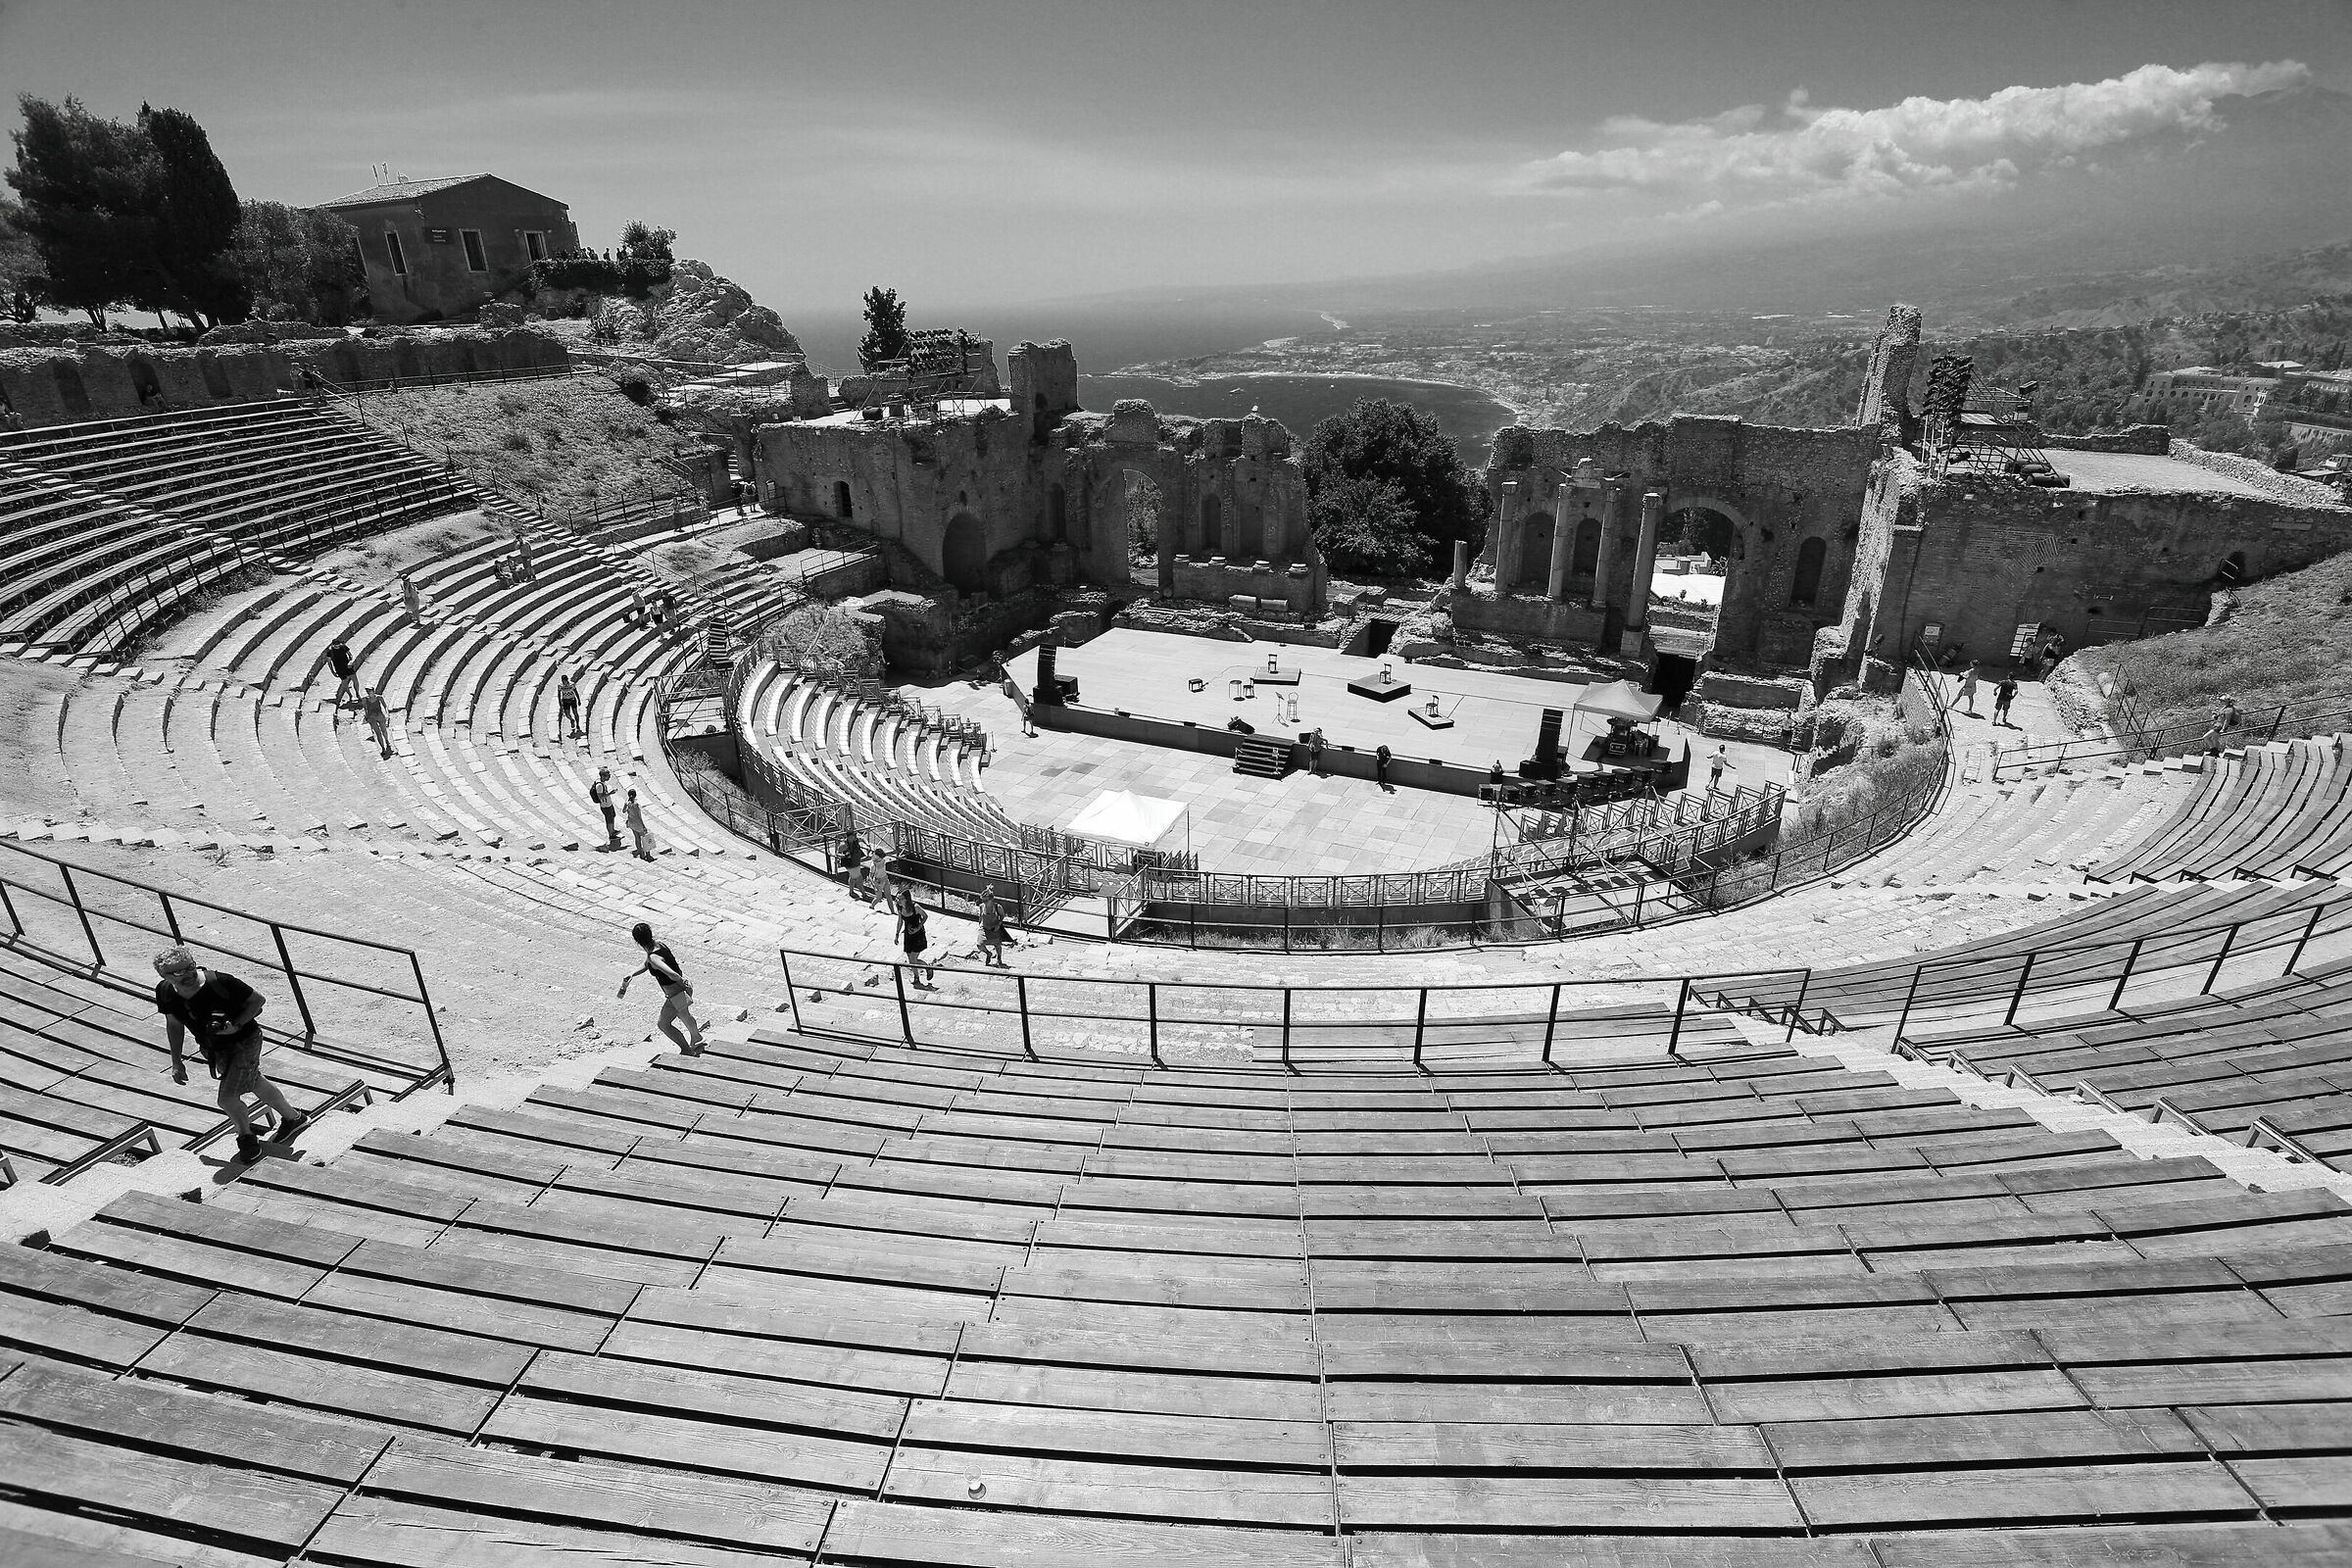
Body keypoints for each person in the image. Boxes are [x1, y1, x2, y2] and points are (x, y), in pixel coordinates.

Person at [155, 946, 306, 1164]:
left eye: (189, 968)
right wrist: (176, 1061)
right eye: (177, 973)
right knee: (255, 1082)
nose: (186, 975)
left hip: (245, 1041)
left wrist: (236, 1025)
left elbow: (258, 1001)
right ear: (164, 976)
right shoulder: (165, 991)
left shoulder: (220, 982)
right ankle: (293, 1118)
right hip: (214, 1048)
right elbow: (174, 1025)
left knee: (226, 1098)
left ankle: (247, 1139)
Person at [618, 921, 703, 1055]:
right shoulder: (659, 945)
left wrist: (682, 985)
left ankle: (687, 1050)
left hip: (676, 992)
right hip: (680, 989)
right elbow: (647, 964)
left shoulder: (653, 957)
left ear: (637, 941)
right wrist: (632, 973)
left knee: (663, 1024)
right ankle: (697, 1038)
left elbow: (671, 974)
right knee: (684, 1014)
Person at [895, 887, 935, 988]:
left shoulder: (915, 907)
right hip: (908, 934)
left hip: (918, 934)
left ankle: (924, 970)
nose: (898, 900)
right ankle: (919, 975)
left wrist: (918, 927)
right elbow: (900, 921)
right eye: (898, 898)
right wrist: (897, 934)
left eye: (901, 899)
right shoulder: (899, 907)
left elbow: (925, 916)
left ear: (906, 899)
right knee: (911, 960)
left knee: (913, 959)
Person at [977, 884, 1010, 968]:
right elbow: (980, 916)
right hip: (984, 928)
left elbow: (1002, 916)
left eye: (986, 901)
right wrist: (980, 925)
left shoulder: (997, 907)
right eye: (983, 900)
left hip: (994, 928)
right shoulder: (981, 906)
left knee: (997, 945)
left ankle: (999, 958)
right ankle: (988, 953)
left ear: (991, 899)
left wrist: (998, 924)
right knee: (979, 944)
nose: (984, 902)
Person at [590, 767, 620, 850]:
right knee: (609, 819)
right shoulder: (599, 785)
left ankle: (612, 830)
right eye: (607, 775)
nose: (609, 777)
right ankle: (611, 835)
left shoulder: (601, 782)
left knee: (612, 816)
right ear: (603, 776)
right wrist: (610, 793)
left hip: (608, 804)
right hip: (605, 805)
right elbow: (600, 797)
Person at [361, 687, 395, 759]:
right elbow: (365, 708)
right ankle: (383, 748)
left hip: (380, 715)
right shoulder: (364, 699)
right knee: (378, 733)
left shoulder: (379, 697)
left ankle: (387, 741)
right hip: (371, 717)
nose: (369, 692)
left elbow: (385, 706)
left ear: (373, 691)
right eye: (368, 691)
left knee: (384, 730)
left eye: (370, 691)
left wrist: (387, 714)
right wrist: (366, 716)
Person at [624, 788, 656, 861]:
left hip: (632, 823)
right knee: (644, 839)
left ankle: (641, 854)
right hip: (638, 824)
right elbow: (638, 817)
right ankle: (648, 856)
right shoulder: (636, 805)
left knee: (637, 839)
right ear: (635, 796)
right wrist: (644, 826)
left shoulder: (627, 803)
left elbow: (623, 811)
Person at [326, 639, 360, 708]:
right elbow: (329, 662)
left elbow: (350, 655)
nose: (337, 647)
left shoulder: (343, 647)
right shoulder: (330, 651)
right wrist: (333, 672)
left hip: (348, 666)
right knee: (344, 682)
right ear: (333, 645)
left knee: (355, 680)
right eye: (336, 646)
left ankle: (357, 693)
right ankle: (350, 696)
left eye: (338, 645)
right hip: (339, 669)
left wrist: (351, 661)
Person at [841, 829, 871, 902]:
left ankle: (851, 892)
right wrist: (846, 855)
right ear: (849, 837)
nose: (855, 836)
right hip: (850, 864)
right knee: (859, 879)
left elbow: (862, 838)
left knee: (852, 877)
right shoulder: (843, 845)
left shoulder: (855, 840)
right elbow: (837, 853)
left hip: (856, 862)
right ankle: (864, 894)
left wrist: (867, 844)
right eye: (853, 835)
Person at [557, 671, 583, 739]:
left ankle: (577, 725)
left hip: (572, 700)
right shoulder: (560, 685)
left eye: (565, 681)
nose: (564, 682)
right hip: (565, 701)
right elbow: (559, 694)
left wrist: (579, 699)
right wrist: (559, 702)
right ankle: (571, 720)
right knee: (567, 714)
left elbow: (575, 691)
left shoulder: (572, 684)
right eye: (563, 681)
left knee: (575, 712)